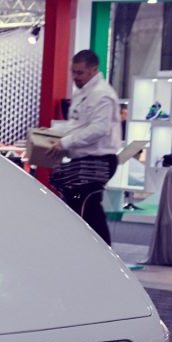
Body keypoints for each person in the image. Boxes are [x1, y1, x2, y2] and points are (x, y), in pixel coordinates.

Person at [45, 49, 120, 245]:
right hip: (82, 161)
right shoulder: (82, 93)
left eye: (80, 73)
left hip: (98, 161)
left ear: (93, 70)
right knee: (77, 207)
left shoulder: (103, 94)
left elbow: (99, 129)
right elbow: (77, 125)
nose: (75, 77)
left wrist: (65, 142)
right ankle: (83, 250)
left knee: (90, 208)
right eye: (73, 72)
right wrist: (51, 133)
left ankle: (104, 254)